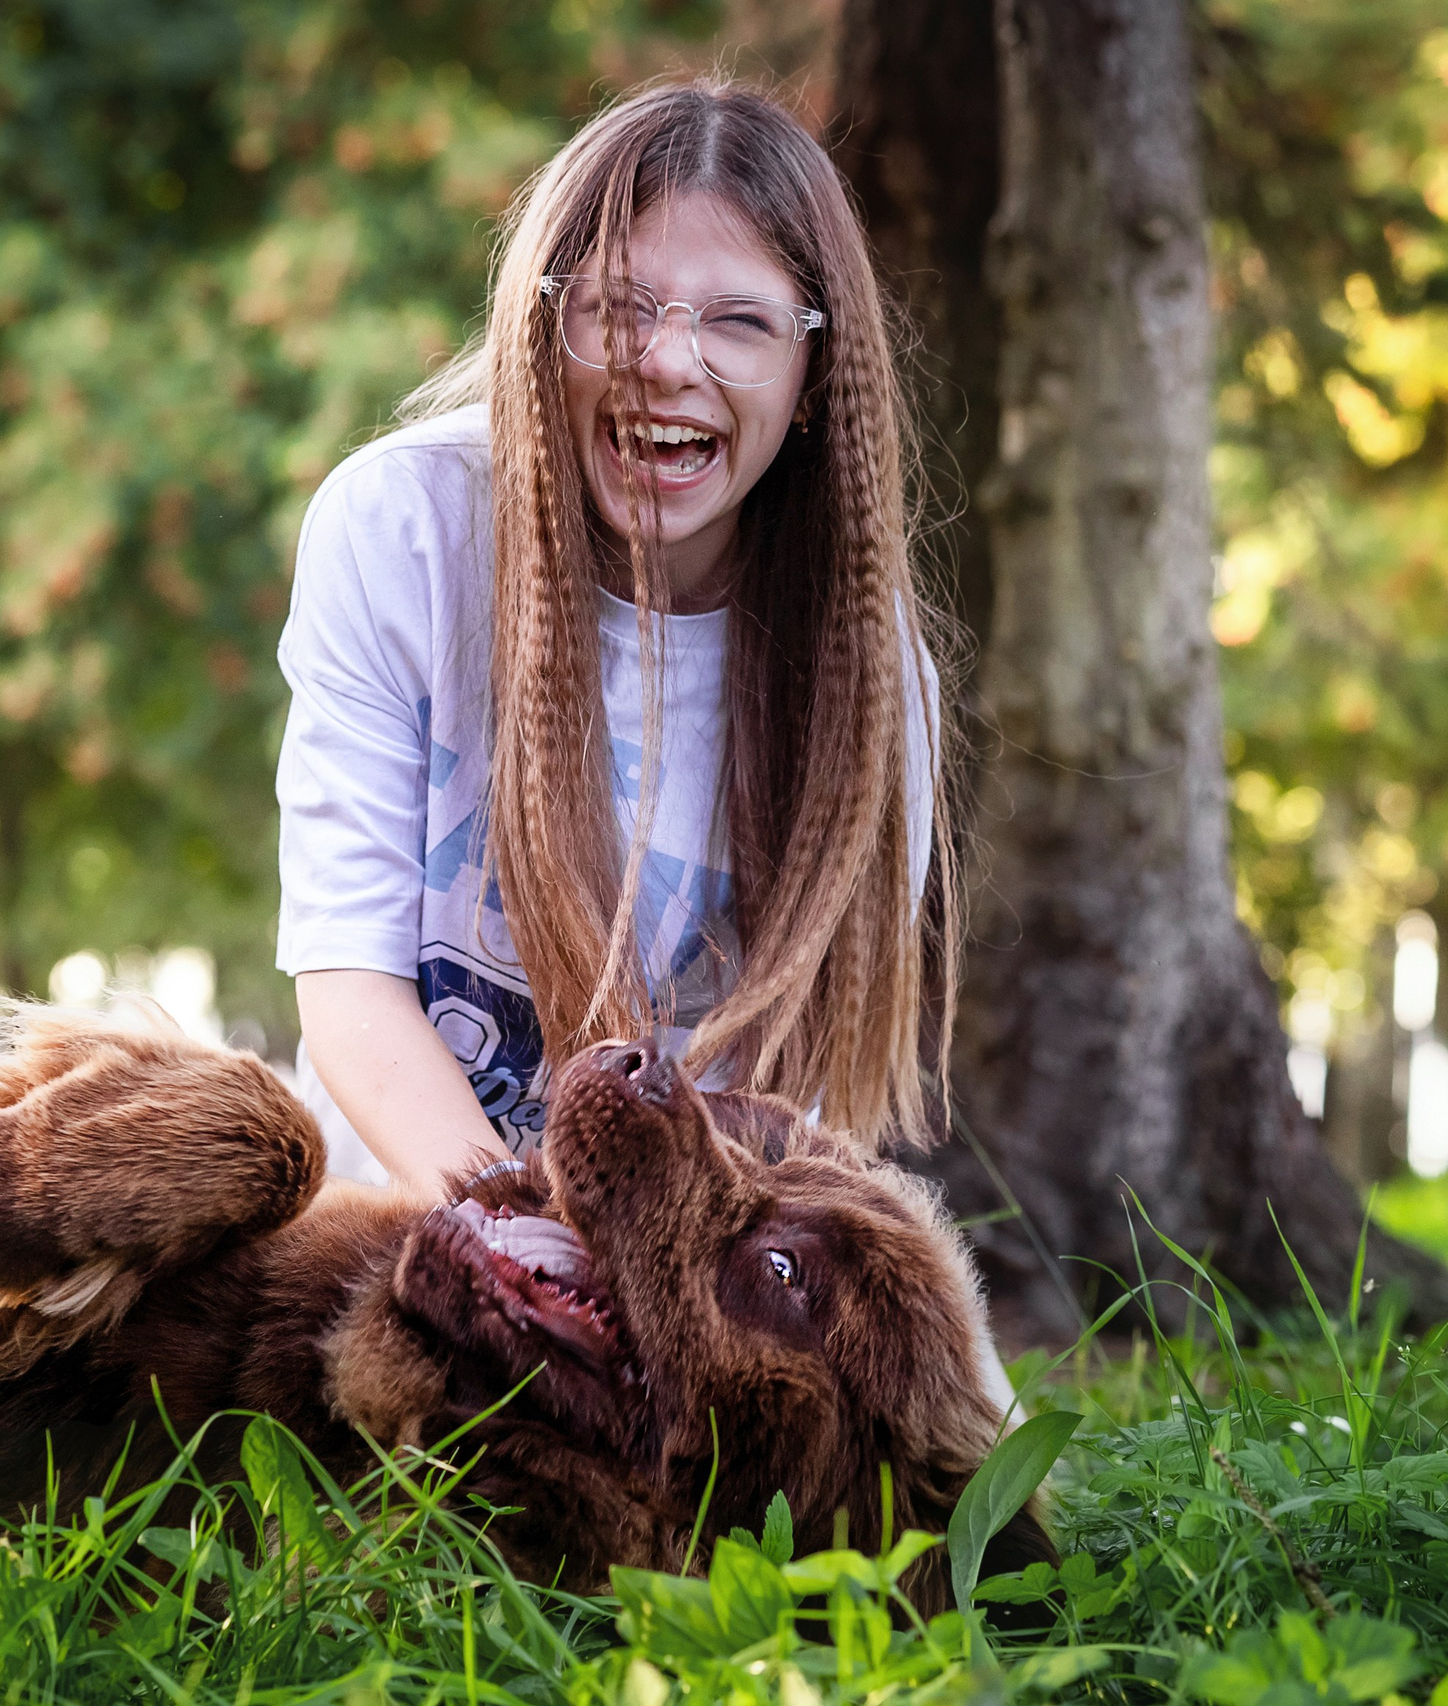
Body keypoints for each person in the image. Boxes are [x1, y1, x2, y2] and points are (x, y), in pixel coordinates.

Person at [275, 79, 946, 1198]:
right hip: (398, 1225)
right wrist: (509, 1229)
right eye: (619, 306)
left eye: (740, 321)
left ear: (815, 373)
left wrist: (646, 1293)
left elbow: (794, 1103)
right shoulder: (406, 531)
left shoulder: (873, 678)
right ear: (545, 328)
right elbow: (349, 976)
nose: (670, 362)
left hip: (673, 1264)